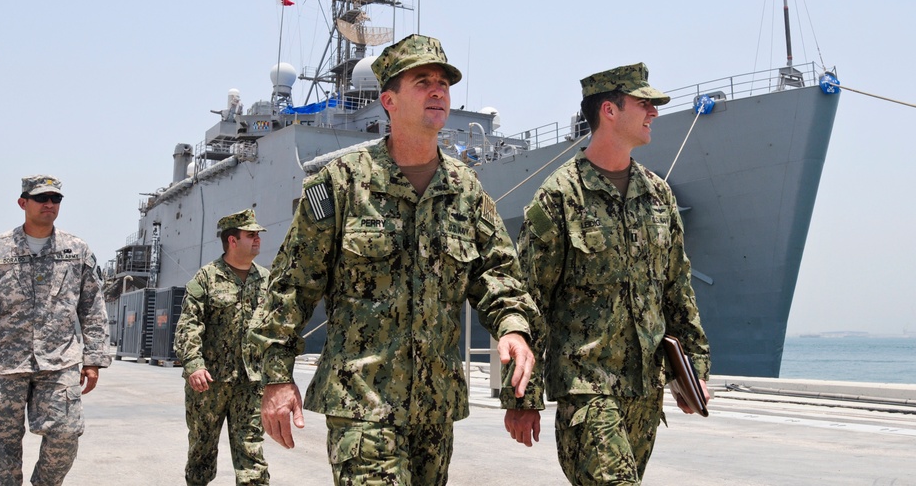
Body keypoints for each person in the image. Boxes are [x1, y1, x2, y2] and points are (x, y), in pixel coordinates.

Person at [246, 34, 539, 485]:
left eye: (443, 82)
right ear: (389, 100)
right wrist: (275, 379)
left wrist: (513, 327)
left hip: (435, 412)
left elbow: (498, 273)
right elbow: (291, 286)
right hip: (361, 405)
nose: (438, 90)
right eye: (422, 81)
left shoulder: (465, 190)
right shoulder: (342, 184)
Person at [502, 63, 711, 485]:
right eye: (644, 103)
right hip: (587, 392)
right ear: (609, 111)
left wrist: (694, 371)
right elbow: (527, 300)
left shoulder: (658, 195)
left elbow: (677, 289)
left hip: (645, 394)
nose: (653, 112)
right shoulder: (559, 196)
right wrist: (520, 396)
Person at [0, 175, 111, 486]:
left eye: (55, 199)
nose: (49, 204)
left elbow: (92, 306)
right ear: (22, 203)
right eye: (41, 198)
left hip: (59, 362)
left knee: (66, 434)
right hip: (4, 364)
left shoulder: (76, 250)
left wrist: (93, 359)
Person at [174, 209, 271, 485]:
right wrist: (194, 365)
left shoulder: (266, 280)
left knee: (252, 453)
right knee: (201, 452)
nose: (257, 240)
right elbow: (188, 325)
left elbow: (275, 329)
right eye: (250, 235)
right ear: (232, 241)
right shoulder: (207, 278)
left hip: (250, 384)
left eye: (257, 235)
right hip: (209, 385)